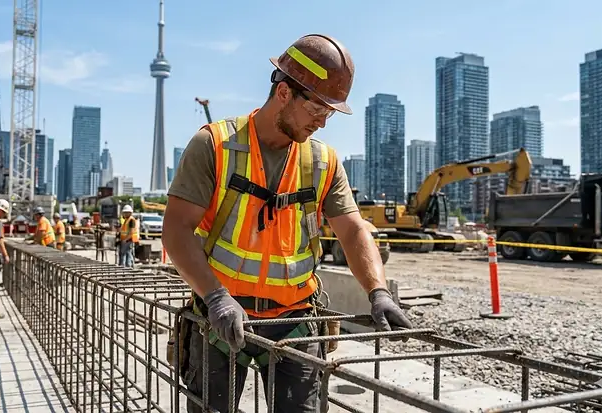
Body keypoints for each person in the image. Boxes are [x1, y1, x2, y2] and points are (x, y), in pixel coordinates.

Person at [162, 34, 414, 412]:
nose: (322, 123)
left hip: (294, 318)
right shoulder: (215, 146)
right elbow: (176, 230)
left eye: (329, 114)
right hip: (220, 316)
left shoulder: (323, 162)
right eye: (317, 110)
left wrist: (378, 291)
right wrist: (214, 296)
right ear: (284, 93)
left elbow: (352, 229)